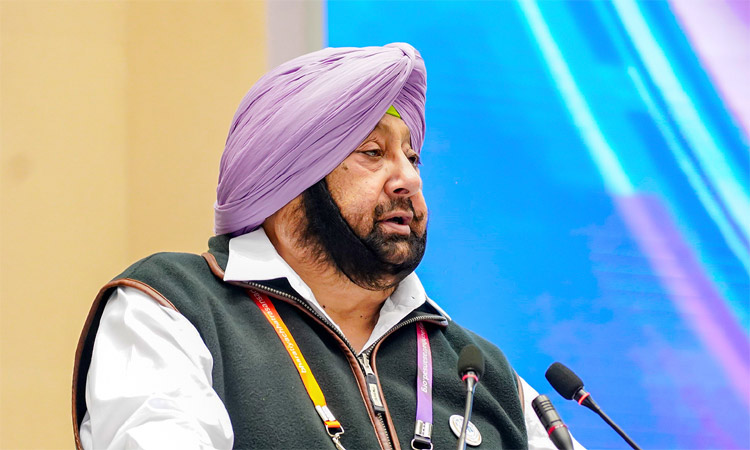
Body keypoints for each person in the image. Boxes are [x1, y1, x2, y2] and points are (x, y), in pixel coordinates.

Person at [73, 43, 582, 450]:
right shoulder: (174, 307)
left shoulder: (476, 369)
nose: (408, 179)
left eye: (412, 157)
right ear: (287, 180)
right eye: (372, 153)